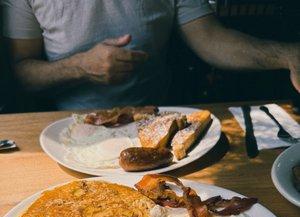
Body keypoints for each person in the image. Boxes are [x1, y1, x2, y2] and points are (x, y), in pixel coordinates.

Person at [2, 0, 300, 110]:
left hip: (157, 118)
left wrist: (288, 55)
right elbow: (23, 74)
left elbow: (209, 38)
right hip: (63, 128)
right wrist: (80, 67)